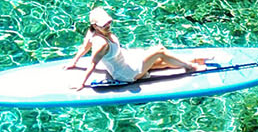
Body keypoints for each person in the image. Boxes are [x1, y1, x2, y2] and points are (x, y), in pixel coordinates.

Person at [66, 7, 206, 89]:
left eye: (109, 22)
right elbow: (92, 63)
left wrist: (74, 62)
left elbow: (83, 48)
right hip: (125, 73)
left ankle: (190, 60)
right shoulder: (101, 43)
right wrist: (82, 83)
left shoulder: (92, 32)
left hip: (126, 60)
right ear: (95, 25)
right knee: (159, 50)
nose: (108, 26)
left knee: (160, 62)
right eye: (104, 25)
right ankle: (191, 66)